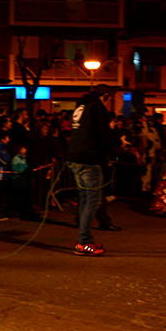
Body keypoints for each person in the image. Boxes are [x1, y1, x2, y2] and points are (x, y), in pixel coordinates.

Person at [65, 92, 117, 255]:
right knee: (92, 200)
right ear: (104, 97)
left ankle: (84, 238)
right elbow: (104, 135)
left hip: (75, 157)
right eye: (109, 101)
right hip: (89, 159)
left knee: (85, 199)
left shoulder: (81, 107)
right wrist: (117, 140)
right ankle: (84, 242)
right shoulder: (96, 108)